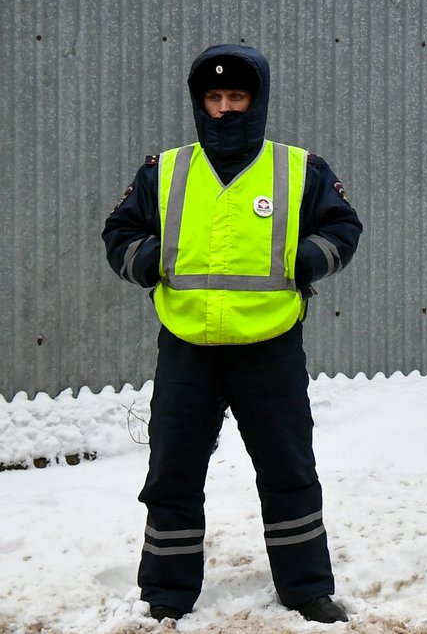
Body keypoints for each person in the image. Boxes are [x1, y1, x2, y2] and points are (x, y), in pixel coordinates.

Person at [101, 45, 362, 625]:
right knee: (172, 471)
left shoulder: (299, 169)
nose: (224, 109)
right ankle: (166, 594)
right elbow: (118, 231)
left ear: (257, 100)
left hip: (268, 348)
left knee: (289, 470)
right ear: (201, 104)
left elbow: (342, 227)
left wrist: (308, 261)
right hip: (187, 348)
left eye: (236, 97)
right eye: (214, 99)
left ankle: (306, 589)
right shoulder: (164, 170)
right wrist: (144, 260)